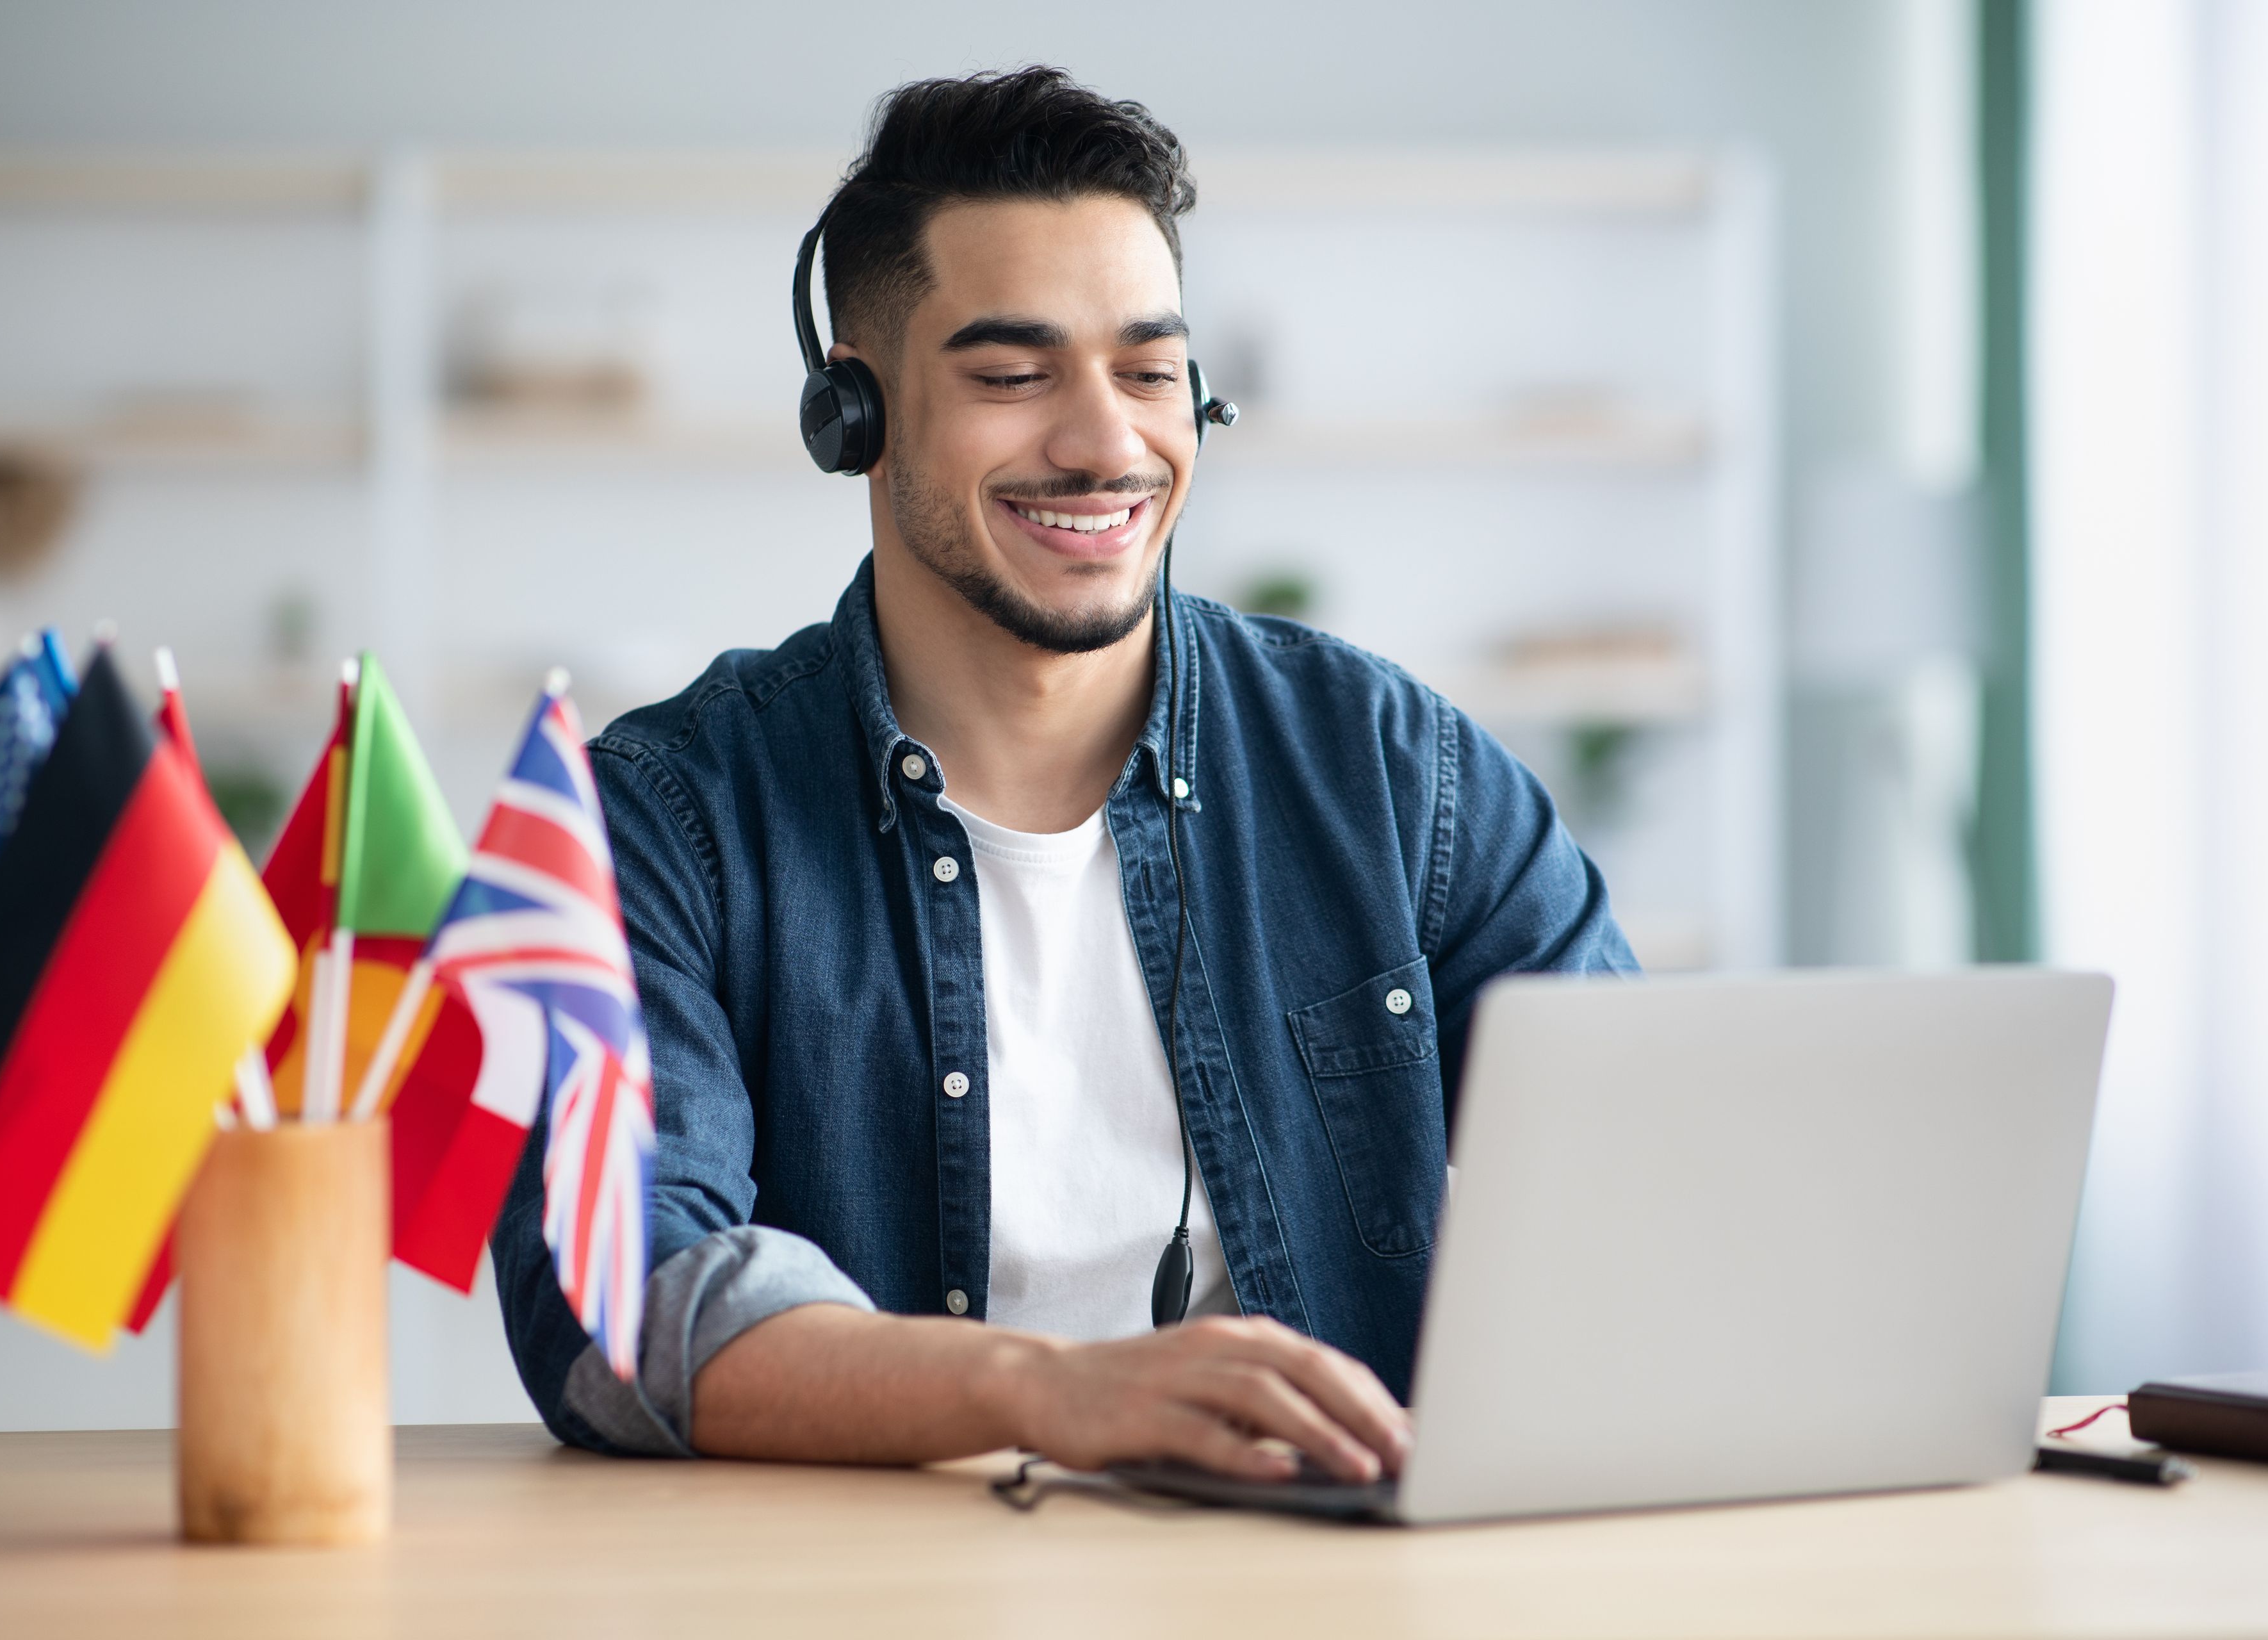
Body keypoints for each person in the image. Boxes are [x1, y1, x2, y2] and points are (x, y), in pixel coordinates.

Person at [493, 66, 1634, 1486]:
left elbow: (1644, 1192)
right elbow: (621, 1311)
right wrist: (1053, 1391)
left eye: (1151, 370)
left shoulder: (1398, 772)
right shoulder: (663, 820)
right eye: (1014, 375)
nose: (1107, 443)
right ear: (855, 413)